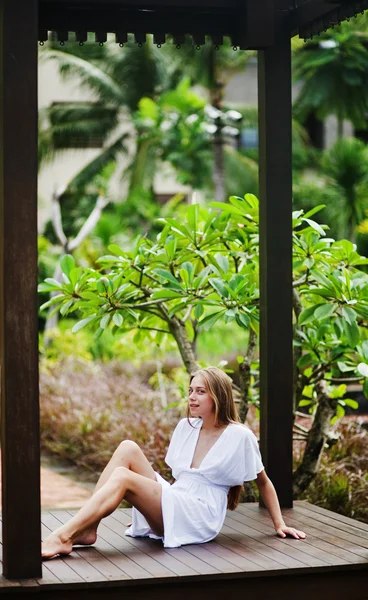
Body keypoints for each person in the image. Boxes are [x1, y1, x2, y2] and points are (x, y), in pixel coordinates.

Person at [42, 366, 306, 559]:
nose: (192, 397)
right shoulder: (187, 427)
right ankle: (88, 528)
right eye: (190, 390)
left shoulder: (239, 436)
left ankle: (63, 537)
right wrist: (152, 503)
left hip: (200, 514)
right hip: (179, 497)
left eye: (201, 392)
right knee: (127, 448)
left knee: (123, 477)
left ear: (219, 397)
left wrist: (279, 525)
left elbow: (264, 482)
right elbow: (178, 484)